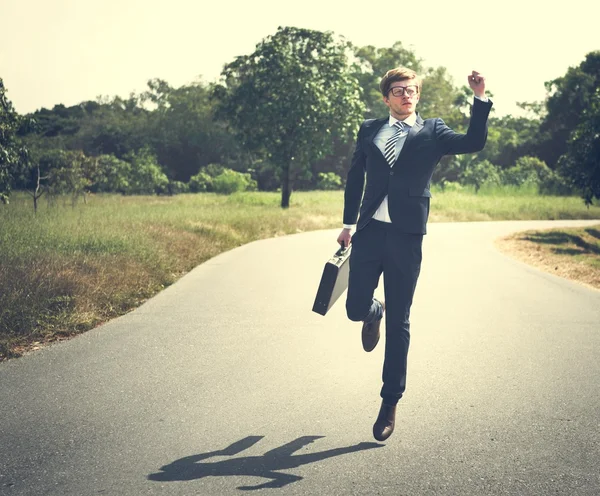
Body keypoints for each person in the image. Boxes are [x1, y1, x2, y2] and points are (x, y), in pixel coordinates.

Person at [337, 67, 492, 441]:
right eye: (398, 90)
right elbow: (355, 175)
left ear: (418, 95)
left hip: (407, 236)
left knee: (401, 320)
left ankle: (390, 400)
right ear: (387, 96)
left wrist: (481, 97)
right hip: (371, 231)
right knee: (354, 307)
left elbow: (474, 142)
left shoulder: (434, 131)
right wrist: (348, 224)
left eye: (411, 90)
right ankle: (372, 313)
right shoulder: (370, 129)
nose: (406, 95)